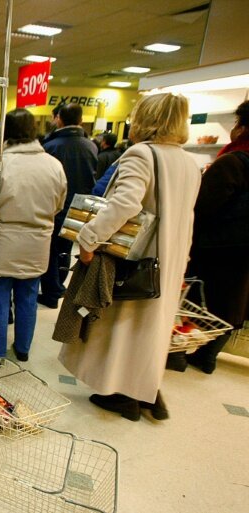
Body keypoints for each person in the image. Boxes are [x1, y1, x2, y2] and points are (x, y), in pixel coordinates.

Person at [58, 93, 201, 421]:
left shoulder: (142, 154)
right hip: (169, 257)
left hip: (136, 256)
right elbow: (189, 216)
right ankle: (145, 391)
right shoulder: (188, 162)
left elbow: (124, 204)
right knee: (150, 328)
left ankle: (123, 394)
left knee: (122, 326)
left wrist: (88, 238)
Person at [0, 110, 66, 362]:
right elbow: (58, 205)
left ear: (5, 132)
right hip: (38, 241)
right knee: (28, 297)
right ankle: (22, 349)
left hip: (1, 242)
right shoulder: (53, 165)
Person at [184, 100, 249, 374]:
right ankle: (208, 354)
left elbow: (203, 206)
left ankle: (189, 353)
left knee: (197, 299)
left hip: (217, 248)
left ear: (242, 127)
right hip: (241, 252)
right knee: (233, 303)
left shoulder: (233, 161)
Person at [39, 103, 98, 309]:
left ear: (59, 119)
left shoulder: (51, 147)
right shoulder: (91, 146)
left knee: (50, 250)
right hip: (81, 208)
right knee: (65, 249)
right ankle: (59, 286)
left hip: (54, 207)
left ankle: (51, 292)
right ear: (81, 120)